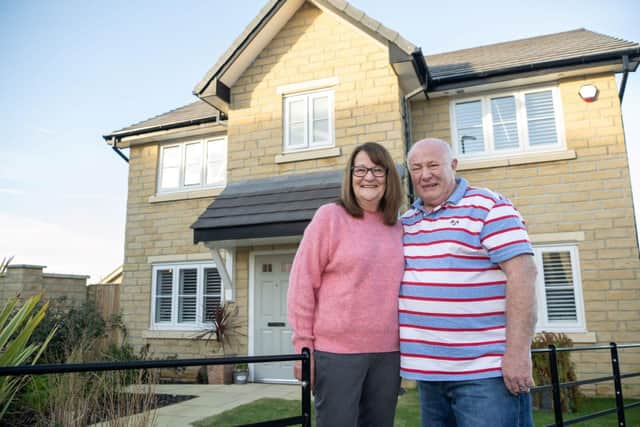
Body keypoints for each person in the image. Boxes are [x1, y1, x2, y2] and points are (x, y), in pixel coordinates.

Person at [400, 138, 538, 427]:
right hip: (430, 376)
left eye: (433, 165)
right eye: (416, 168)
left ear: (453, 166)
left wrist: (517, 353)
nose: (425, 174)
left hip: (486, 374)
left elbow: (523, 275)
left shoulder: (489, 206)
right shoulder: (408, 222)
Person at [287, 142, 404, 427]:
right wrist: (304, 347)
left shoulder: (398, 227)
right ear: (350, 176)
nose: (369, 177)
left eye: (377, 169)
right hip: (336, 354)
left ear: (389, 177)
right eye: (360, 169)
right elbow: (302, 283)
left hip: (388, 354)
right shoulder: (330, 217)